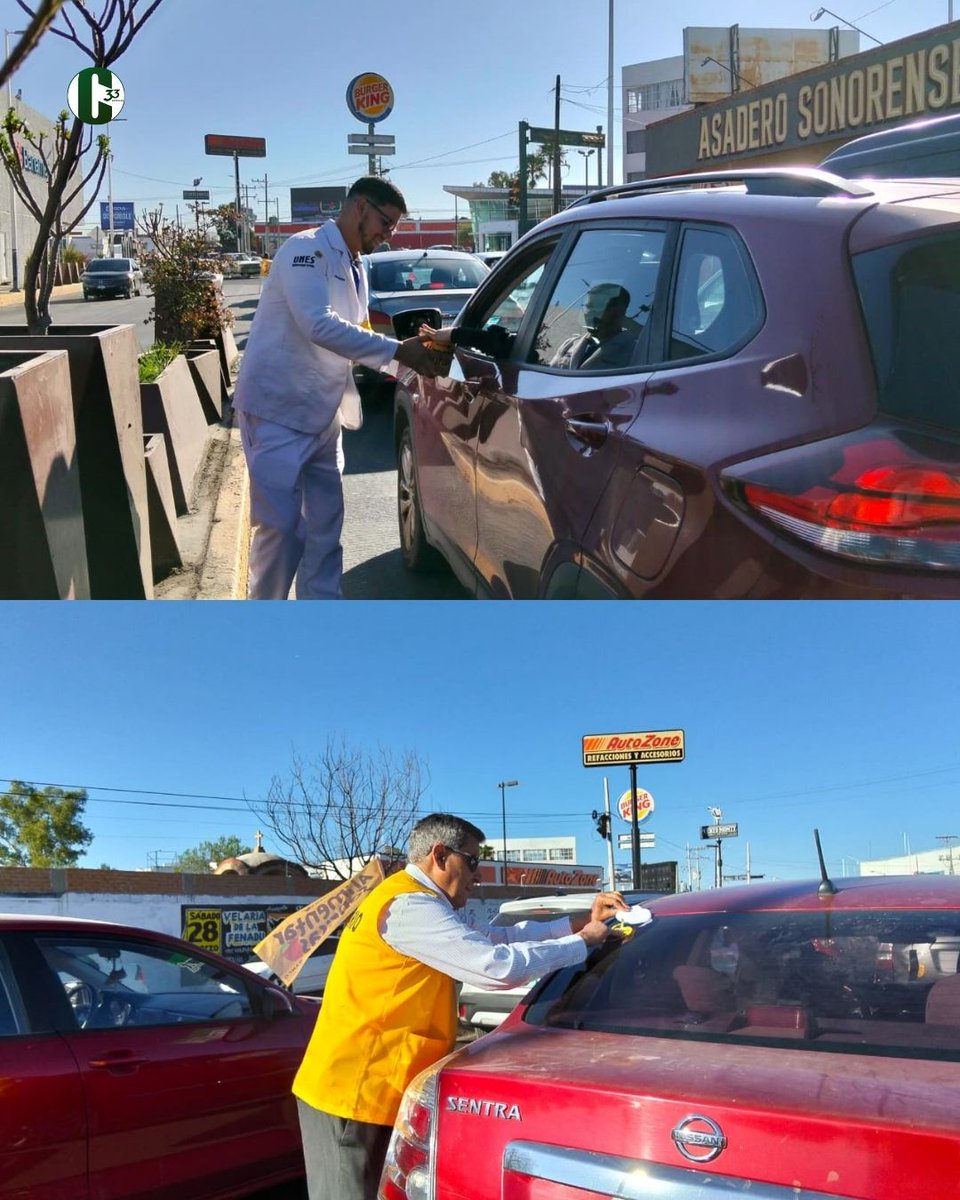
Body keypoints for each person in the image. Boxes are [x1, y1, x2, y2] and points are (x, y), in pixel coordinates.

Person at [292, 812, 626, 1200]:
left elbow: (496, 935)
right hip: (352, 1093)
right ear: (439, 854)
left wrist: (579, 923)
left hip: (374, 1087)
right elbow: (496, 966)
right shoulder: (408, 907)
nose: (477, 874)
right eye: (471, 861)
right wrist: (583, 941)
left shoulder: (422, 902)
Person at [233, 176, 446, 600]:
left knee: (324, 532)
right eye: (386, 224)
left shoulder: (355, 264)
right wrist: (398, 351)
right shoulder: (303, 250)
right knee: (280, 532)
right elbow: (318, 324)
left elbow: (358, 334)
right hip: (278, 411)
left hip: (324, 414)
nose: (388, 237)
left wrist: (412, 355)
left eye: (395, 229)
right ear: (360, 207)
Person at [551, 282, 635, 370]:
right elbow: (550, 374)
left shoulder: (635, 351)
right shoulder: (569, 344)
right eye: (587, 306)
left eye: (597, 306)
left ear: (619, 312)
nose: (588, 312)